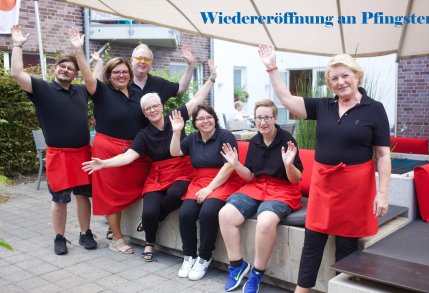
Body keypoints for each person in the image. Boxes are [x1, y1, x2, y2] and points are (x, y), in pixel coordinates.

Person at [258, 44, 391, 292]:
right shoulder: (323, 106)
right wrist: (271, 67)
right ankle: (302, 290)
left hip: (356, 188)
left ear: (357, 76)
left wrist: (382, 192)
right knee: (313, 239)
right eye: (334, 78)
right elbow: (287, 100)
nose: (340, 82)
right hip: (324, 184)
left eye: (345, 76)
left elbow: (383, 155)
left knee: (347, 245)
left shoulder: (375, 109)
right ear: (330, 84)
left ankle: (342, 288)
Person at [81, 60, 217, 262]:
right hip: (158, 175)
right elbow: (129, 156)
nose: (153, 110)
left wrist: (212, 78)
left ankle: (152, 222)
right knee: (149, 211)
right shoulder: (144, 135)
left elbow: (196, 100)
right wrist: (104, 163)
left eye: (155, 106)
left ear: (161, 106)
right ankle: (149, 240)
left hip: (181, 172)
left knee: (176, 193)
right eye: (148, 109)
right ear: (143, 113)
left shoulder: (175, 118)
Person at [10, 25, 97, 255]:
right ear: (55, 68)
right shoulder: (42, 89)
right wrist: (17, 44)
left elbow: (94, 79)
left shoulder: (81, 90)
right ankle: (59, 237)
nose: (66, 70)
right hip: (59, 156)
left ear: (75, 74)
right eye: (63, 66)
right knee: (59, 199)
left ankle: (85, 232)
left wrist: (88, 56)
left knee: (83, 196)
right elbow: (16, 74)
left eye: (71, 68)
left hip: (82, 155)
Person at [70, 28, 150, 254]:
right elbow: (87, 75)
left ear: (130, 74)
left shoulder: (136, 94)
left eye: (124, 71)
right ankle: (116, 238)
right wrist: (78, 50)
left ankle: (123, 226)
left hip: (135, 150)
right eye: (116, 72)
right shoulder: (101, 91)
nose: (121, 75)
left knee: (147, 184)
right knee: (111, 194)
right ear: (109, 75)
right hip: (107, 149)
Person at [219, 99, 303, 292]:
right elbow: (249, 177)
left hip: (283, 188)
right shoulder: (255, 142)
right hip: (257, 187)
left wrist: (289, 164)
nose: (263, 122)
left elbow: (295, 179)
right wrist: (235, 164)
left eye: (267, 117)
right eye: (259, 118)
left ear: (275, 118)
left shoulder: (286, 139)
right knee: (225, 215)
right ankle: (237, 265)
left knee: (265, 221)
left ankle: (256, 273)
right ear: (254, 120)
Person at [170, 105, 243, 281]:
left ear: (214, 118)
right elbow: (175, 152)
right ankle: (189, 256)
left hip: (223, 180)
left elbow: (229, 165)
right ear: (195, 123)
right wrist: (176, 132)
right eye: (201, 119)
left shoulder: (225, 136)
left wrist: (210, 188)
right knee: (186, 213)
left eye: (209, 117)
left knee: (208, 212)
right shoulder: (193, 138)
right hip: (199, 182)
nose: (205, 121)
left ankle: (204, 257)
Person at [131, 43, 195, 99]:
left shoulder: (159, 84)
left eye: (147, 59)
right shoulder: (123, 84)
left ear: (151, 63)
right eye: (139, 58)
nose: (143, 61)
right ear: (132, 61)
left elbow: (181, 88)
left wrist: (191, 65)